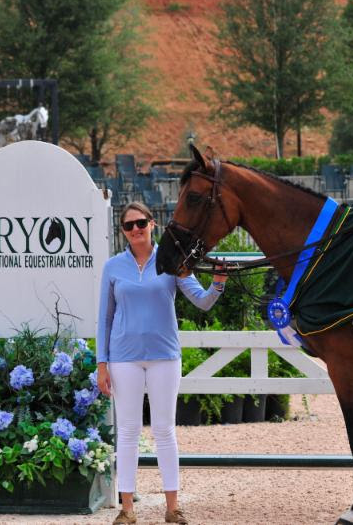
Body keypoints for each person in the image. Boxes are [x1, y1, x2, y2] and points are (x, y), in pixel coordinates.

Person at [96, 201, 227, 525]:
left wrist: (219, 282)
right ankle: (127, 509)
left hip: (164, 357)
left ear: (152, 224)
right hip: (123, 357)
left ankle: (172, 507)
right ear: (122, 232)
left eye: (141, 223)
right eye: (129, 226)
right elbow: (104, 319)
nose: (136, 229)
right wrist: (102, 364)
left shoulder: (171, 262)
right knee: (127, 431)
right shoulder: (112, 267)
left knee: (165, 430)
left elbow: (202, 300)